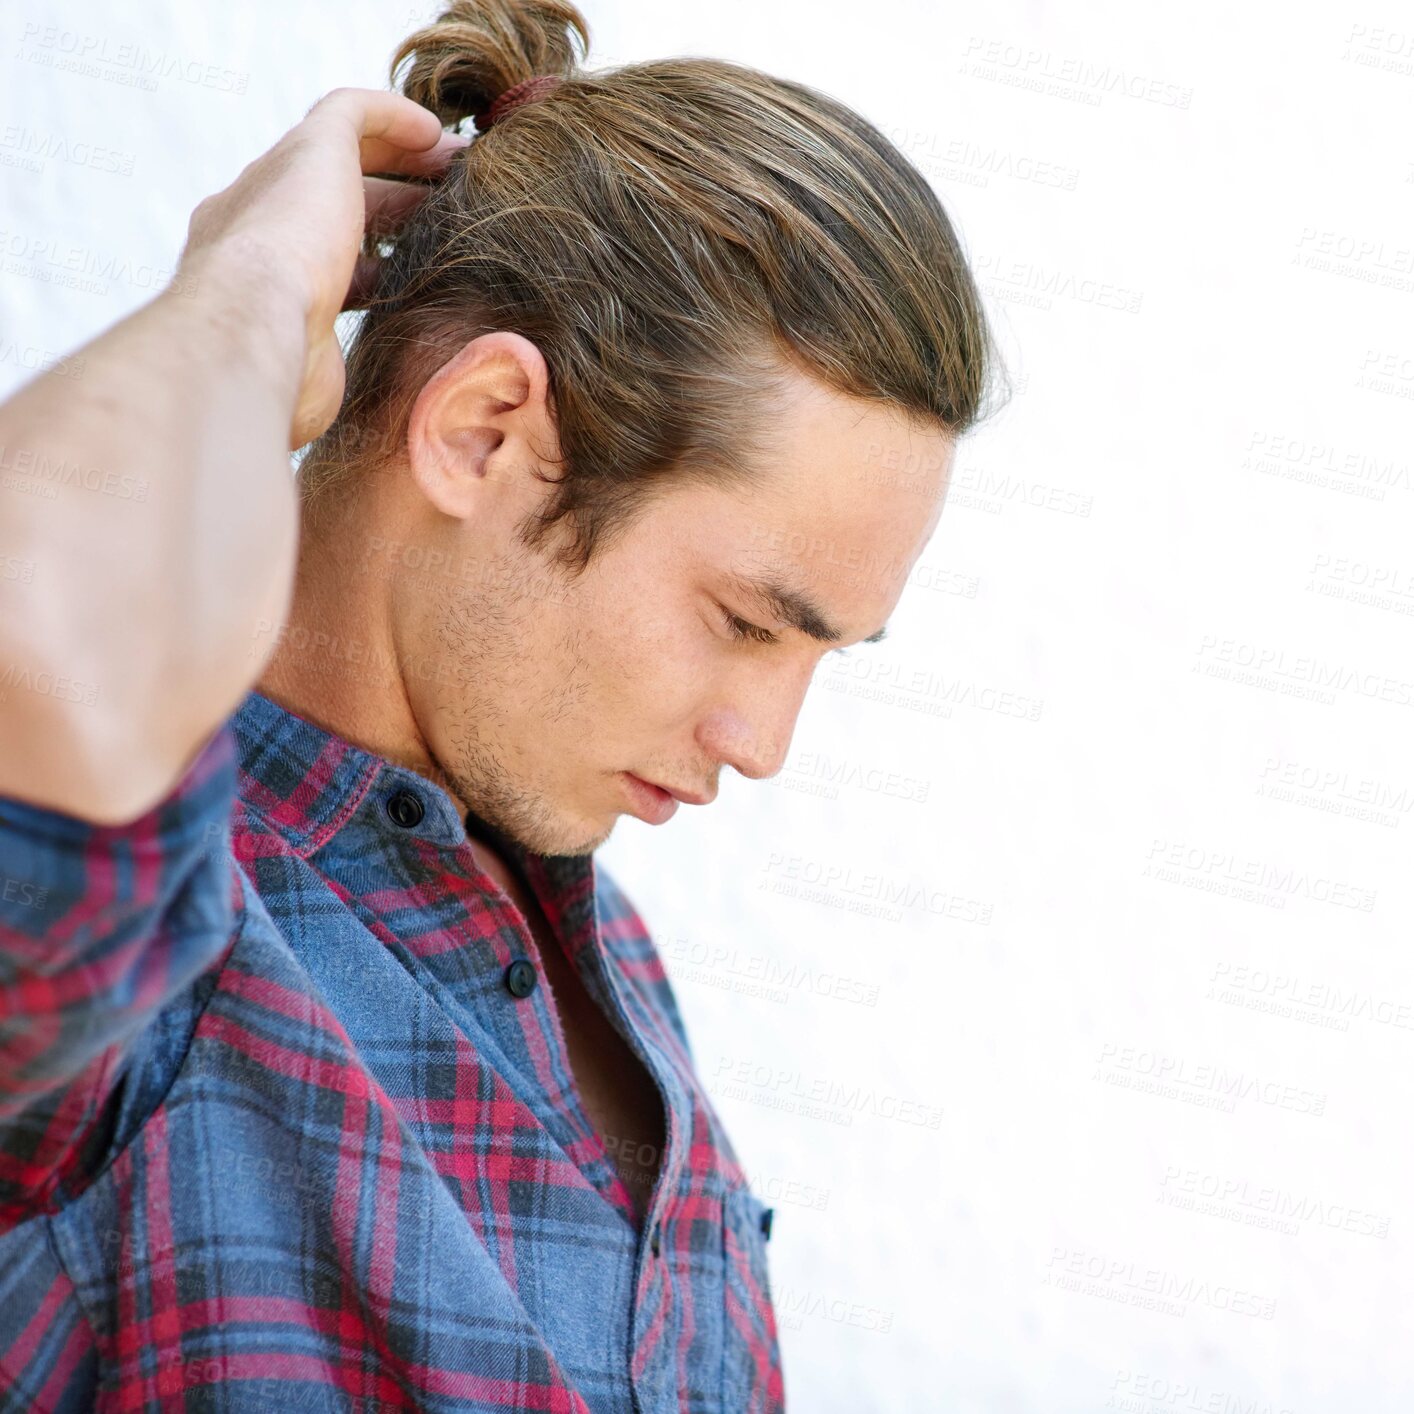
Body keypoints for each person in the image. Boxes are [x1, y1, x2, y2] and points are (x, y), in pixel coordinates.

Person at [0, 0, 1004, 1407]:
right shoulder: (150, 945)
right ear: (480, 432)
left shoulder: (617, 971)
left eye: (822, 655)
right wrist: (245, 294)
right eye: (739, 622)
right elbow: (30, 632)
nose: (764, 745)